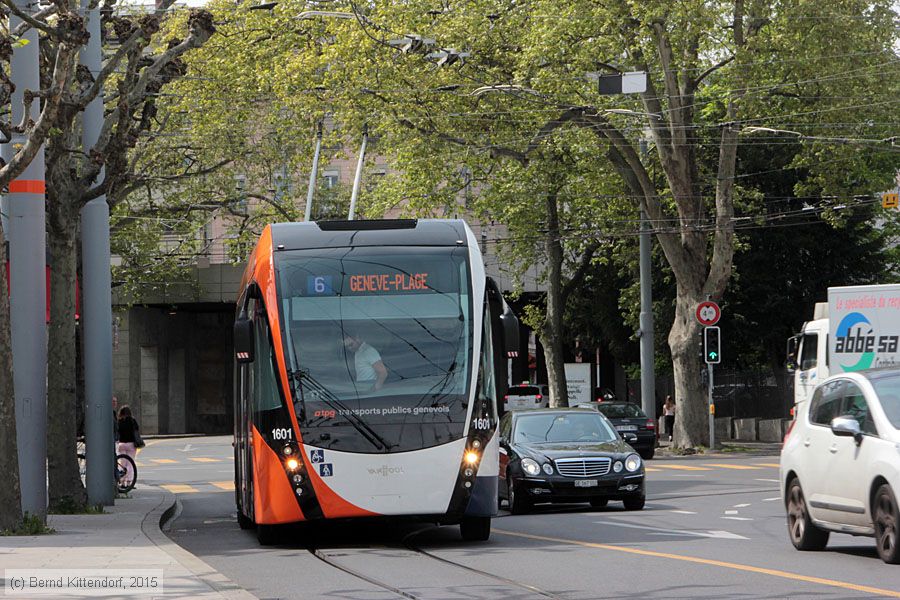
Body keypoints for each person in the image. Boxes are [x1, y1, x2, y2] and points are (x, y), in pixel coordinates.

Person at [116, 405, 139, 486]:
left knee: (122, 463)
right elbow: (137, 430)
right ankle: (129, 482)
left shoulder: (119, 421)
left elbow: (117, 431)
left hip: (121, 444)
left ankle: (122, 481)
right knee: (130, 463)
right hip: (131, 444)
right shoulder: (132, 421)